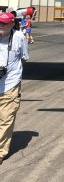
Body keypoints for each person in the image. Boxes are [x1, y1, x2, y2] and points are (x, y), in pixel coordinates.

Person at [0, 12, 29, 164]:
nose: (1, 25)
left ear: (12, 24)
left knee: (5, 119)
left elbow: (23, 58)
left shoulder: (19, 37)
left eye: (4, 23)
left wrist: (16, 78)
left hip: (10, 84)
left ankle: (0, 152)